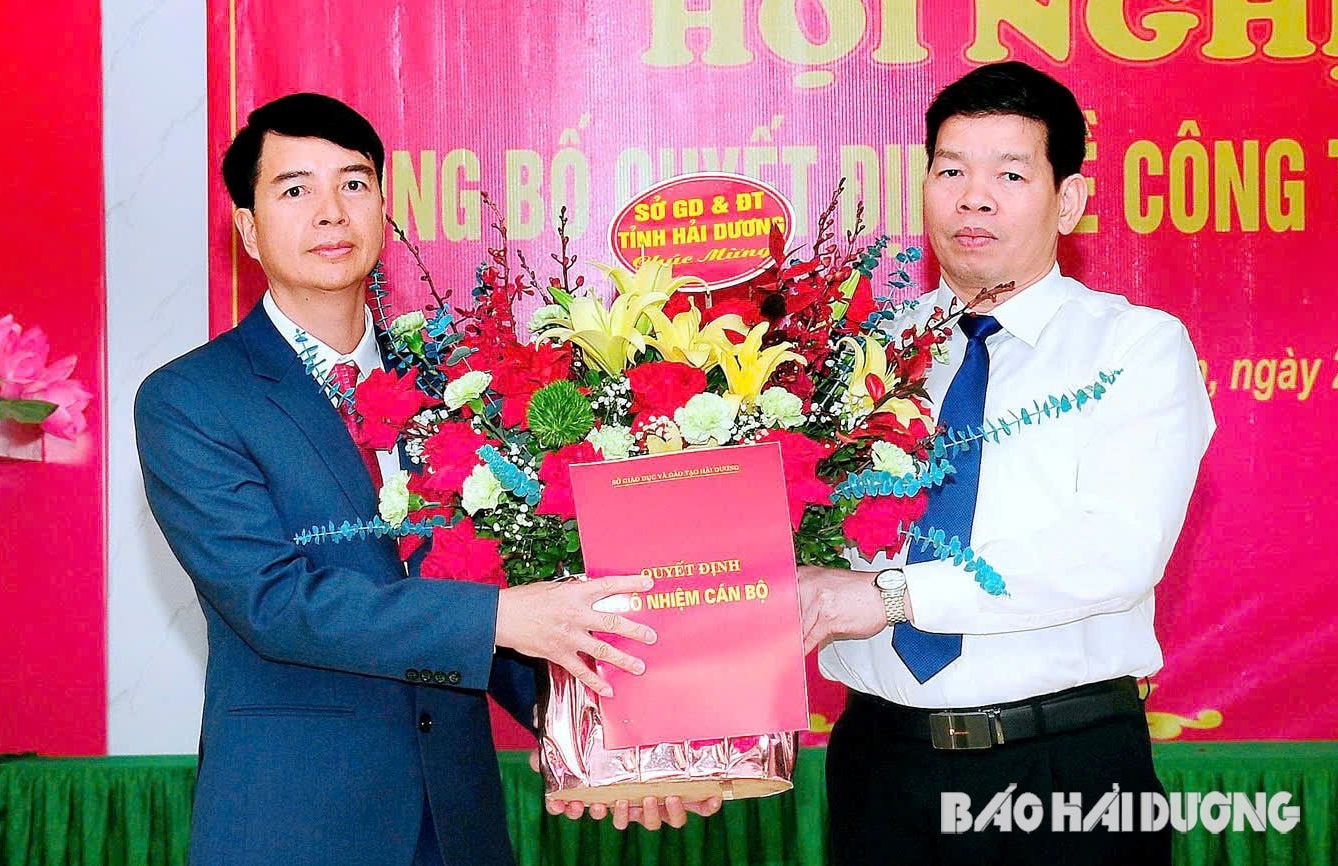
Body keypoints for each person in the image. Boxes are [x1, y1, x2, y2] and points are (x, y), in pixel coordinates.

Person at [135, 93, 712, 866]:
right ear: (247, 226)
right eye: (295, 189)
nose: (331, 212)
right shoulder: (193, 398)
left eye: (354, 183)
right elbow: (273, 601)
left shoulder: (456, 387)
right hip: (293, 822)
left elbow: (502, 582)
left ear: (382, 207)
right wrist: (500, 620)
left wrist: (600, 733)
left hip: (458, 820)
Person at [797, 62, 1214, 866]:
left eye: (1009, 174)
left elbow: (1113, 554)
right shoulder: (857, 355)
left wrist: (889, 595)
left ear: (1068, 200)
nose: (972, 197)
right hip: (879, 765)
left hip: (1063, 763)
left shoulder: (1134, 347)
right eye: (949, 170)